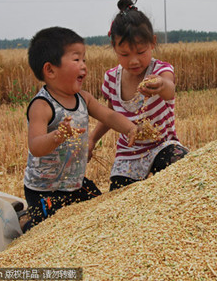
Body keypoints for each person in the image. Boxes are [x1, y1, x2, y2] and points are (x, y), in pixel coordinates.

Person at [23, 26, 139, 231]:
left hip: (74, 185)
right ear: (50, 70)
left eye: (84, 59)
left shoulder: (83, 98)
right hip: (45, 191)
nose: (84, 66)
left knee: (100, 216)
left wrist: (129, 128)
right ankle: (27, 225)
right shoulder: (42, 105)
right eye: (76, 60)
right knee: (48, 231)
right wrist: (57, 136)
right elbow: (35, 146)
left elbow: (108, 115)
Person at [88, 0, 189, 191]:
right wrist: (92, 140)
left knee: (182, 172)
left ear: (153, 43)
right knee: (121, 199)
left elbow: (170, 88)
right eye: (124, 55)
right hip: (129, 154)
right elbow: (110, 115)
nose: (134, 61)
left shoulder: (160, 71)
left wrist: (160, 84)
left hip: (163, 146)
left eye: (141, 52)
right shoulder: (111, 78)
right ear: (114, 48)